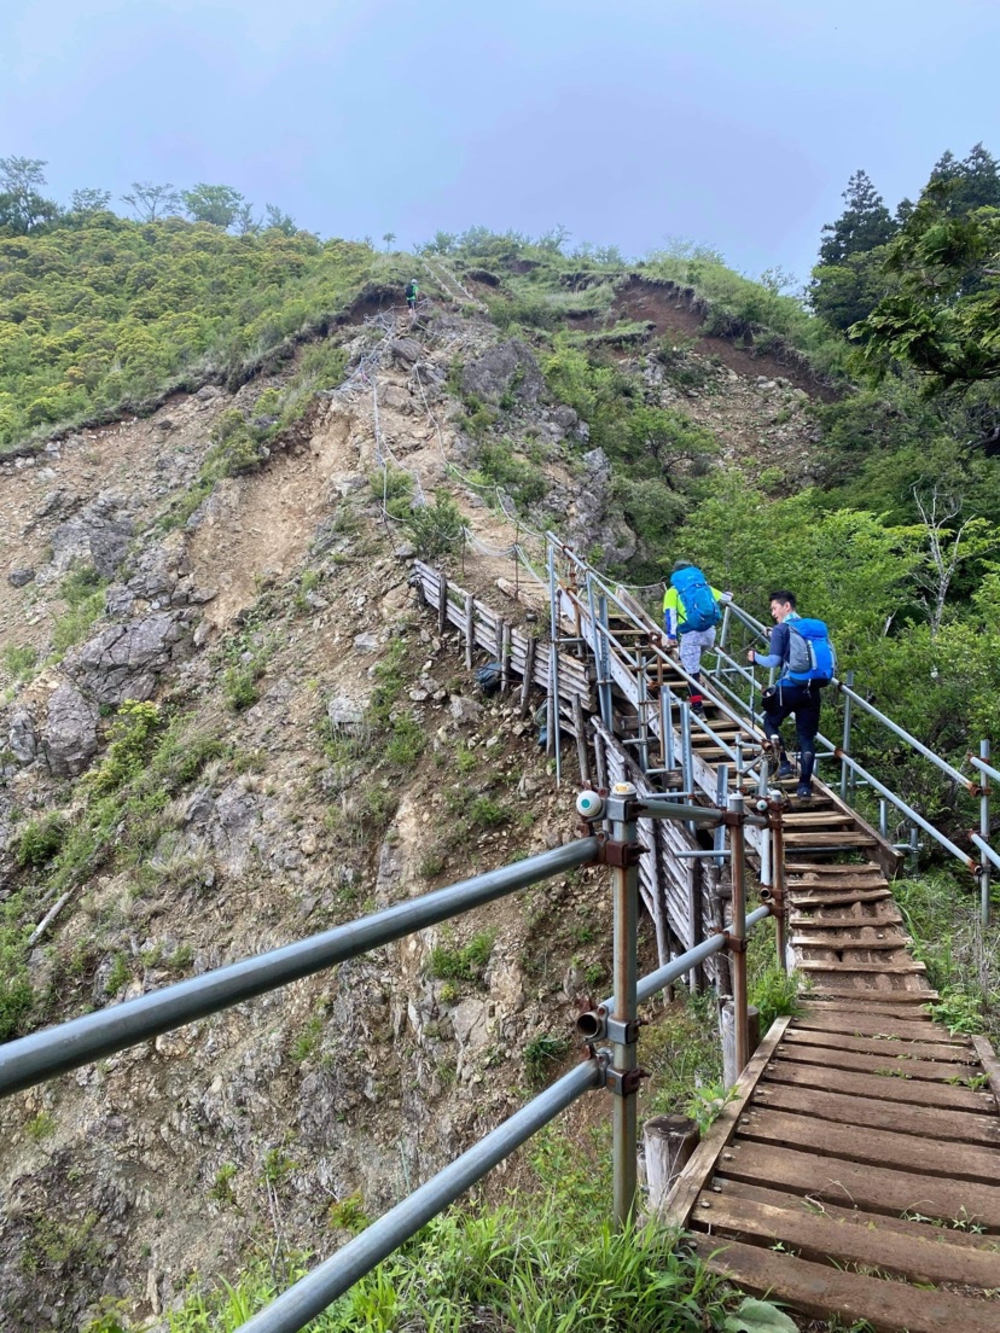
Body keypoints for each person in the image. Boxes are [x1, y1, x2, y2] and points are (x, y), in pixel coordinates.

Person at [747, 590, 835, 800]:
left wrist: (755, 657)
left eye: (774, 608)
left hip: (789, 688)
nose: (773, 614)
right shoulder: (808, 629)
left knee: (770, 721)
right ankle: (804, 788)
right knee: (806, 738)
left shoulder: (781, 629)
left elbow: (774, 661)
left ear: (786, 606)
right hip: (812, 690)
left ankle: (784, 763)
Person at [663, 560, 728, 715]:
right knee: (691, 663)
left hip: (691, 635)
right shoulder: (703, 586)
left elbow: (670, 614)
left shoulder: (673, 591)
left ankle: (697, 707)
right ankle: (695, 695)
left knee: (692, 672)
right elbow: (725, 599)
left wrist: (671, 636)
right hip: (709, 633)